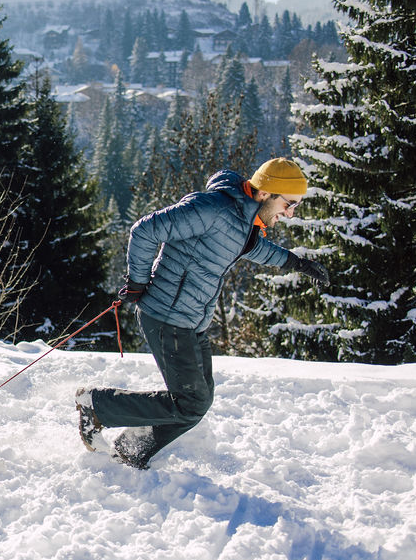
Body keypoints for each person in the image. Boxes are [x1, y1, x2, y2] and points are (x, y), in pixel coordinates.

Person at [76, 158, 329, 469]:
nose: (290, 214)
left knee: (200, 398)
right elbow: (145, 231)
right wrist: (138, 281)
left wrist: (297, 263)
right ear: (266, 193)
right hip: (167, 316)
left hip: (191, 320)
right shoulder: (213, 209)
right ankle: (98, 406)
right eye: (289, 204)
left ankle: (129, 450)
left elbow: (256, 250)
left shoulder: (243, 223)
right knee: (190, 403)